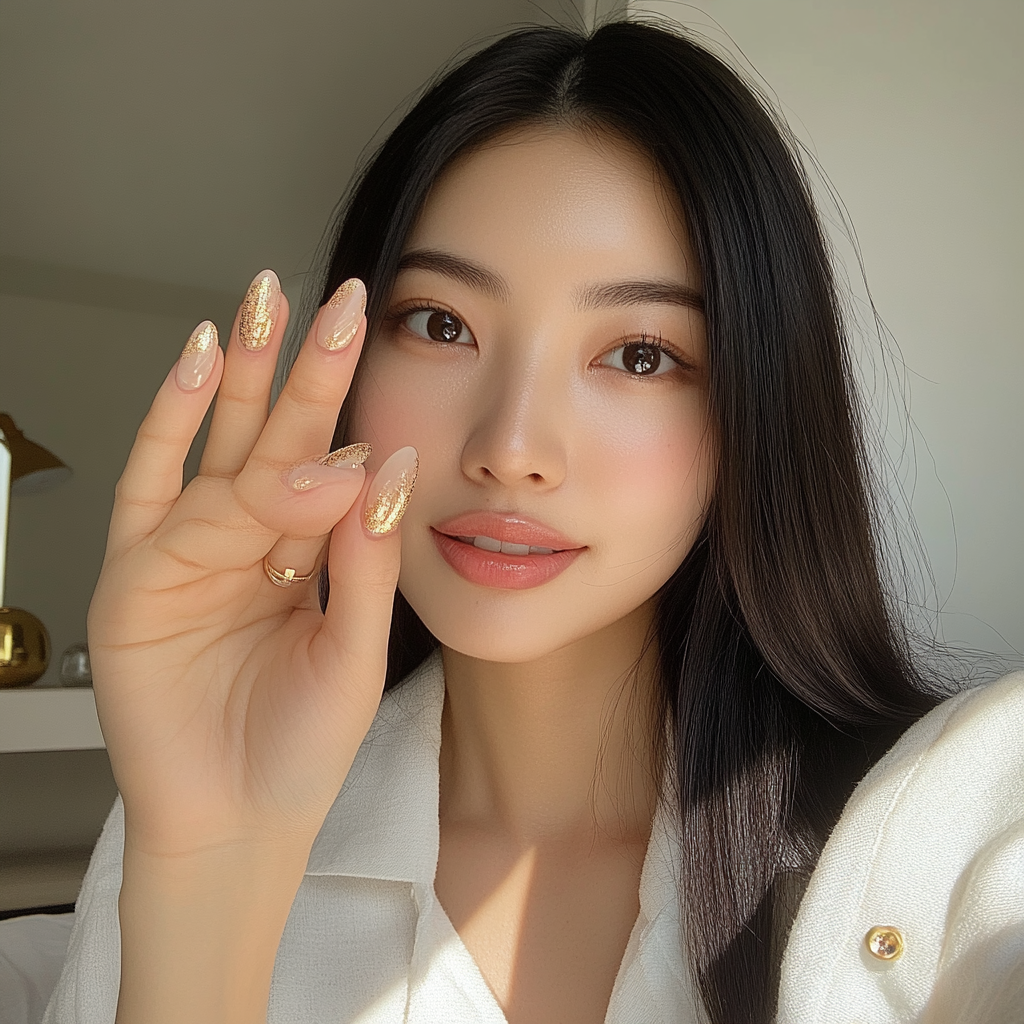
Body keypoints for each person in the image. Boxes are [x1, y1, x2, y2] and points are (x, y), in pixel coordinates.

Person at [41, 19, 1023, 1024]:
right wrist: (216, 865)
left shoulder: (959, 826)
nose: (510, 446)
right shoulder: (179, 827)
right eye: (440, 324)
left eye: (638, 355)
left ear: (753, 409)